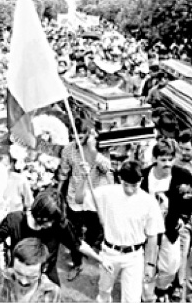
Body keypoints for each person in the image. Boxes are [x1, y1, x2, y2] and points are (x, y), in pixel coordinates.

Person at [0, 191, 112, 286]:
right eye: (49, 221)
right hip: (20, 275)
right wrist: (4, 275)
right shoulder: (14, 220)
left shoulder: (58, 225)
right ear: (39, 214)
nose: (51, 225)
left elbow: (77, 244)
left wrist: (101, 260)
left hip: (46, 276)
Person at [91, 160, 165, 303]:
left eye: (134, 186)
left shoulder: (149, 202)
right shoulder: (107, 192)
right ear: (120, 179)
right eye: (126, 185)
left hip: (134, 257)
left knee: (132, 299)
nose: (130, 190)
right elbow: (80, 198)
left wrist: (150, 265)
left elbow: (152, 237)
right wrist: (86, 174)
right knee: (104, 292)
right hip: (109, 253)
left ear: (141, 181)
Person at [140, 139, 192, 302]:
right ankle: (148, 296)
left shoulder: (182, 176)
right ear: (155, 159)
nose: (167, 163)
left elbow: (190, 200)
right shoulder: (144, 176)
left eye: (170, 159)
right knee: (147, 263)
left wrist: (183, 218)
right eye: (163, 160)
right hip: (147, 229)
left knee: (171, 264)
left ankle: (162, 287)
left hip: (170, 227)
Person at [57, 120, 110, 280]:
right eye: (74, 135)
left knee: (94, 230)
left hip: (94, 198)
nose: (77, 138)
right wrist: (58, 193)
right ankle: (77, 262)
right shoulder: (68, 149)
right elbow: (64, 172)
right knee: (74, 234)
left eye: (81, 135)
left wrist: (94, 155)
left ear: (88, 133)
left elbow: (107, 168)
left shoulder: (98, 146)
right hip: (75, 197)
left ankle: (90, 247)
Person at [0, 238, 62, 303]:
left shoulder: (52, 292)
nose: (23, 281)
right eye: (18, 273)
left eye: (31, 277)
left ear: (43, 270)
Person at [0, 146, 34, 213]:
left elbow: (30, 204)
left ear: (10, 165)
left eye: (4, 166)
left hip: (15, 219)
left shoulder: (19, 180)